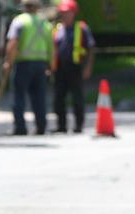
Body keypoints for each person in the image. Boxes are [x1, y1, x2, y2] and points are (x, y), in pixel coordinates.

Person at [3, 0, 52, 135]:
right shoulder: (45, 24)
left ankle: (20, 128)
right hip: (41, 64)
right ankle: (41, 127)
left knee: (19, 97)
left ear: (25, 6)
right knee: (39, 98)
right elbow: (51, 46)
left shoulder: (19, 21)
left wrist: (8, 61)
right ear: (37, 7)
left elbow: (13, 42)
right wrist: (51, 64)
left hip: (23, 64)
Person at [50, 0, 94, 134]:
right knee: (59, 98)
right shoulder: (57, 29)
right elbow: (52, 49)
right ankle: (61, 126)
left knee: (77, 99)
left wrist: (88, 68)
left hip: (75, 68)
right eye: (63, 13)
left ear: (73, 13)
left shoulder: (81, 28)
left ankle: (78, 126)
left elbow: (91, 48)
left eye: (67, 13)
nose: (65, 15)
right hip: (60, 69)